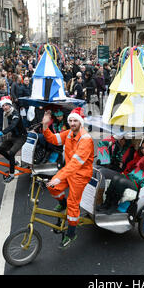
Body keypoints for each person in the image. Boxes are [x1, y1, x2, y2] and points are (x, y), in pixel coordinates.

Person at [41, 107, 94, 249]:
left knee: (73, 204)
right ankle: (62, 204)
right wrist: (45, 125)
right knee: (52, 186)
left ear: (81, 122)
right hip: (69, 171)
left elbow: (76, 163)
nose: (72, 123)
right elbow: (53, 139)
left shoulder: (86, 139)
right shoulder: (69, 133)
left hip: (80, 175)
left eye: (75, 120)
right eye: (70, 120)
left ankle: (71, 234)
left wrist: (60, 177)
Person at [97, 139, 144, 215]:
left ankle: (113, 206)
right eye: (142, 148)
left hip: (140, 183)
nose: (143, 150)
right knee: (116, 178)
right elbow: (131, 165)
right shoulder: (141, 155)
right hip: (131, 177)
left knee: (121, 181)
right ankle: (107, 203)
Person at [0, 96, 27, 183]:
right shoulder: (5, 113)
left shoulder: (15, 114)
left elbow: (12, 126)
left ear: (10, 105)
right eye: (3, 106)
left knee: (11, 153)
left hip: (21, 136)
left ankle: (12, 174)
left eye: (6, 105)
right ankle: (13, 163)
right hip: (14, 136)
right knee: (0, 149)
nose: (4, 107)